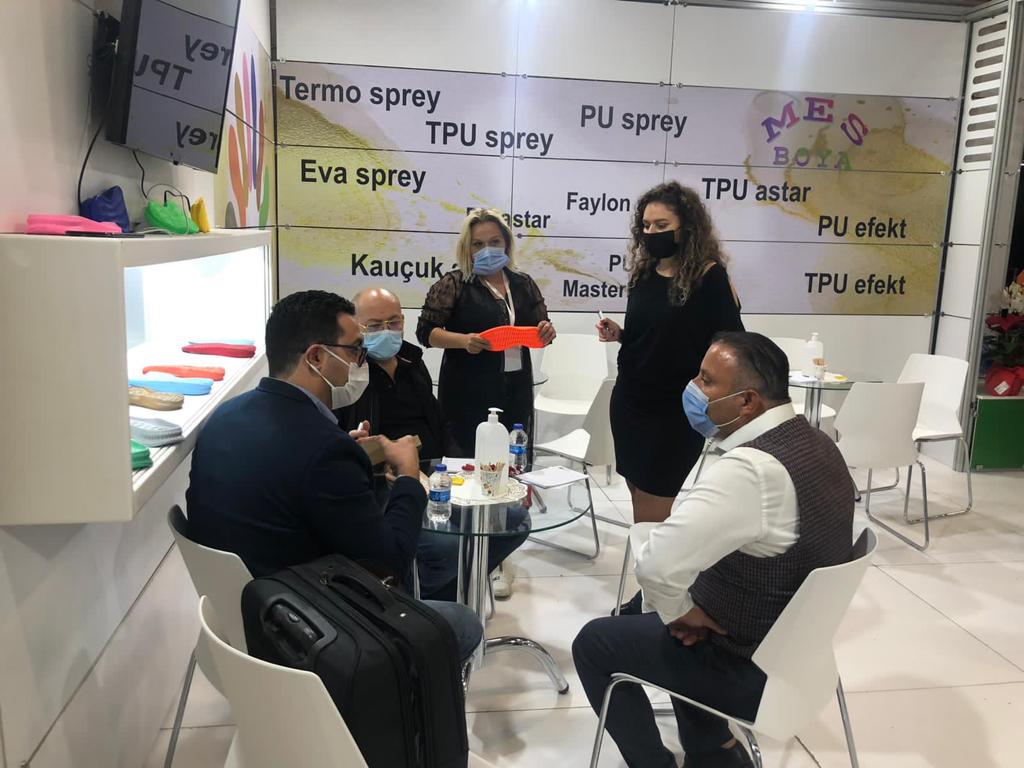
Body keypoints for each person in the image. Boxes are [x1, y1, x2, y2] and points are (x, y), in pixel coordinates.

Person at [572, 332, 855, 768]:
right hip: (801, 654)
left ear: (747, 402)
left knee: (596, 643)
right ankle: (712, 749)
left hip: (750, 666)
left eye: (707, 381)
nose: (693, 389)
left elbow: (658, 564)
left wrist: (680, 613)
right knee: (653, 608)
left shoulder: (750, 470)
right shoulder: (818, 443)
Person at [186, 290, 482, 663]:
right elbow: (390, 563)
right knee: (463, 623)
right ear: (316, 357)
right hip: (306, 628)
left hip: (240, 613)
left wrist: (349, 455)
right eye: (355, 349)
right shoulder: (323, 449)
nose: (361, 360)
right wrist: (409, 476)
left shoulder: (226, 417)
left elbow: (293, 474)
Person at [336, 286, 528, 601]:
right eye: (375, 325)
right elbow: (345, 442)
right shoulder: (347, 374)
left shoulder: (412, 360)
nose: (387, 331)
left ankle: (453, 593)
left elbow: (439, 421)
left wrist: (463, 466)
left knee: (516, 521)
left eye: (394, 322)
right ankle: (417, 599)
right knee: (446, 548)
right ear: (357, 328)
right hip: (385, 483)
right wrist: (387, 462)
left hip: (438, 474)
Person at [597, 181, 744, 530]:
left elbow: (731, 343)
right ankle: (647, 561)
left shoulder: (709, 276)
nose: (651, 233)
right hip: (629, 402)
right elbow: (651, 333)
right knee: (638, 497)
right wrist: (621, 334)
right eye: (646, 225)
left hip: (674, 414)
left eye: (661, 225)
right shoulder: (644, 273)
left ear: (686, 228)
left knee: (651, 513)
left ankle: (651, 566)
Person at [417, 207, 556, 456]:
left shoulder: (522, 283)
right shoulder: (455, 283)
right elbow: (425, 332)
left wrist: (546, 332)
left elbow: (541, 326)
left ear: (506, 244)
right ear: (467, 248)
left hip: (516, 385)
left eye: (494, 242)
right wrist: (463, 340)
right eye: (478, 244)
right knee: (468, 458)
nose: (487, 249)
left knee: (513, 457)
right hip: (468, 388)